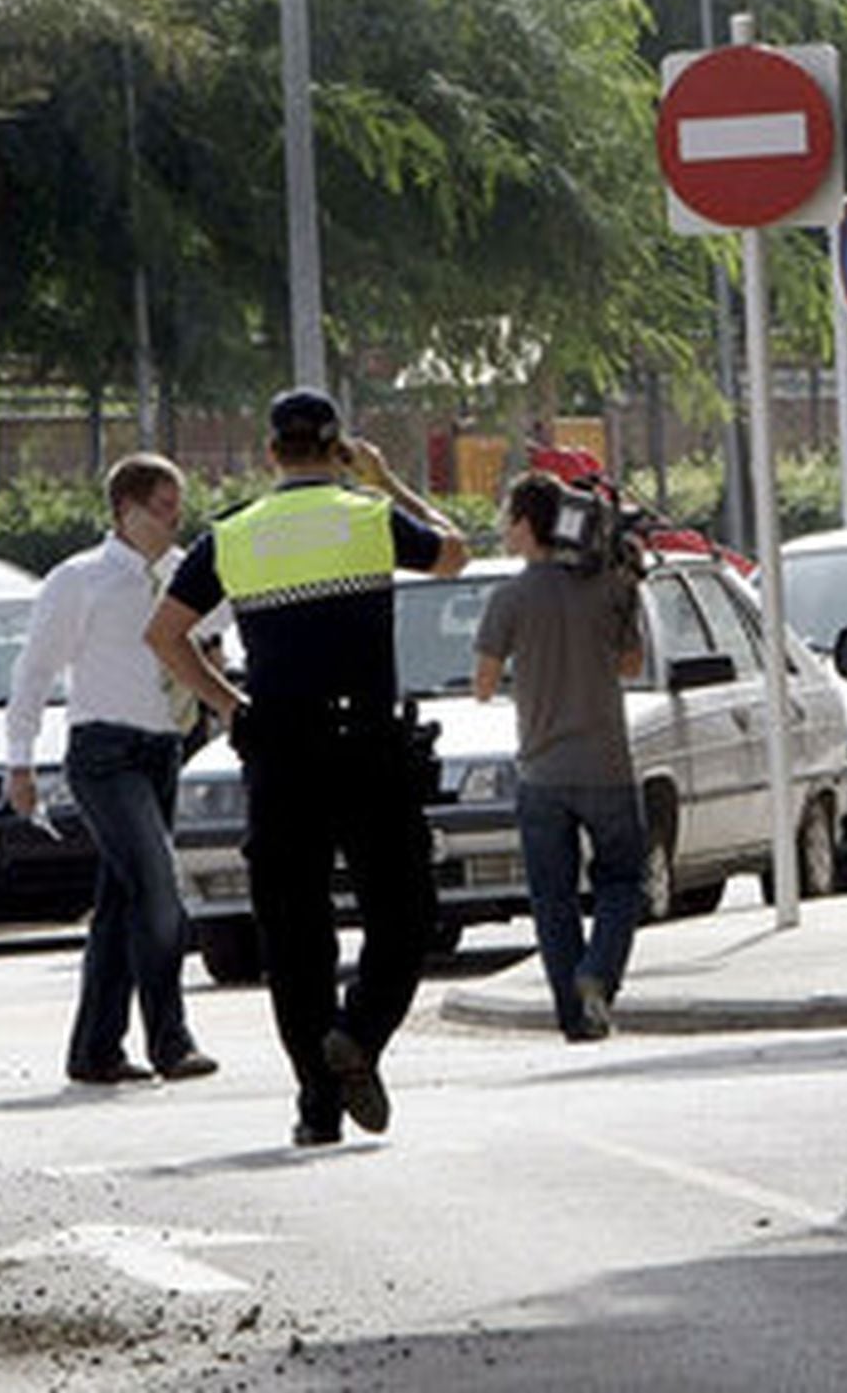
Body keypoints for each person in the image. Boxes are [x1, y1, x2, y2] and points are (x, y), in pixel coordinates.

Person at [146, 389, 467, 1147]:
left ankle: (318, 1104)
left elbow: (164, 634)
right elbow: (454, 552)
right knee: (404, 911)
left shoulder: (233, 535)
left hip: (281, 751)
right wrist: (386, 482)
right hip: (367, 745)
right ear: (338, 448)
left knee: (294, 934)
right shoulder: (367, 516)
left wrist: (230, 706)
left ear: (269, 454)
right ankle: (358, 1033)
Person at [6, 451, 218, 1086]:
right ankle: (170, 1041)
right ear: (125, 510)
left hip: (162, 751)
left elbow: (222, 632)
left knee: (124, 901)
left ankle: (95, 1050)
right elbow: (35, 670)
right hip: (103, 754)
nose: (172, 522)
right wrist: (19, 763)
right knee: (159, 890)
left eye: (178, 510)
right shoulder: (80, 580)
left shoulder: (185, 575)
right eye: (160, 509)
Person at [472, 471, 645, 1043]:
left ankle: (573, 1018)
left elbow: (482, 685)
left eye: (507, 518)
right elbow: (631, 666)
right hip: (608, 766)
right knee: (622, 882)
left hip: (542, 772)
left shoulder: (510, 597)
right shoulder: (610, 586)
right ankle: (598, 975)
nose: (503, 528)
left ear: (527, 525)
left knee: (553, 899)